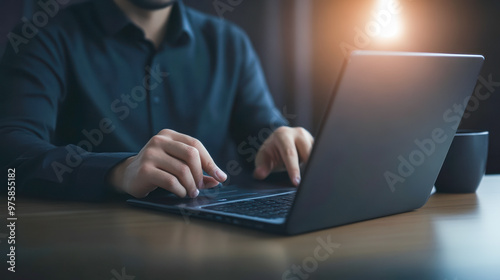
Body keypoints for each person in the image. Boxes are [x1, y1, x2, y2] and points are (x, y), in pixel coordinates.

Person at [0, 0, 314, 201]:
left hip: (214, 246)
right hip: (90, 250)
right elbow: (10, 151)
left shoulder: (229, 43)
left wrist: (281, 141)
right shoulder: (45, 37)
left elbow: (261, 131)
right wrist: (117, 171)